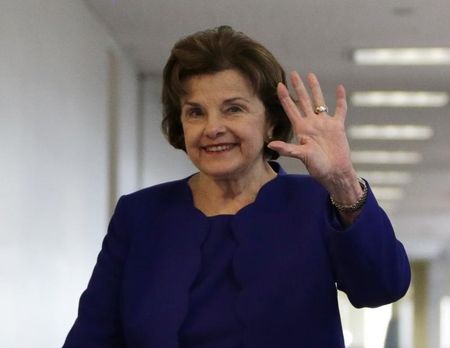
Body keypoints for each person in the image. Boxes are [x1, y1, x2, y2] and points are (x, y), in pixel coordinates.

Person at [63, 26, 411, 347]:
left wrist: (344, 182)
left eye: (233, 109)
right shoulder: (140, 214)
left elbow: (382, 287)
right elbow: (93, 335)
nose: (213, 127)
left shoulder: (316, 202)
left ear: (271, 119)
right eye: (195, 112)